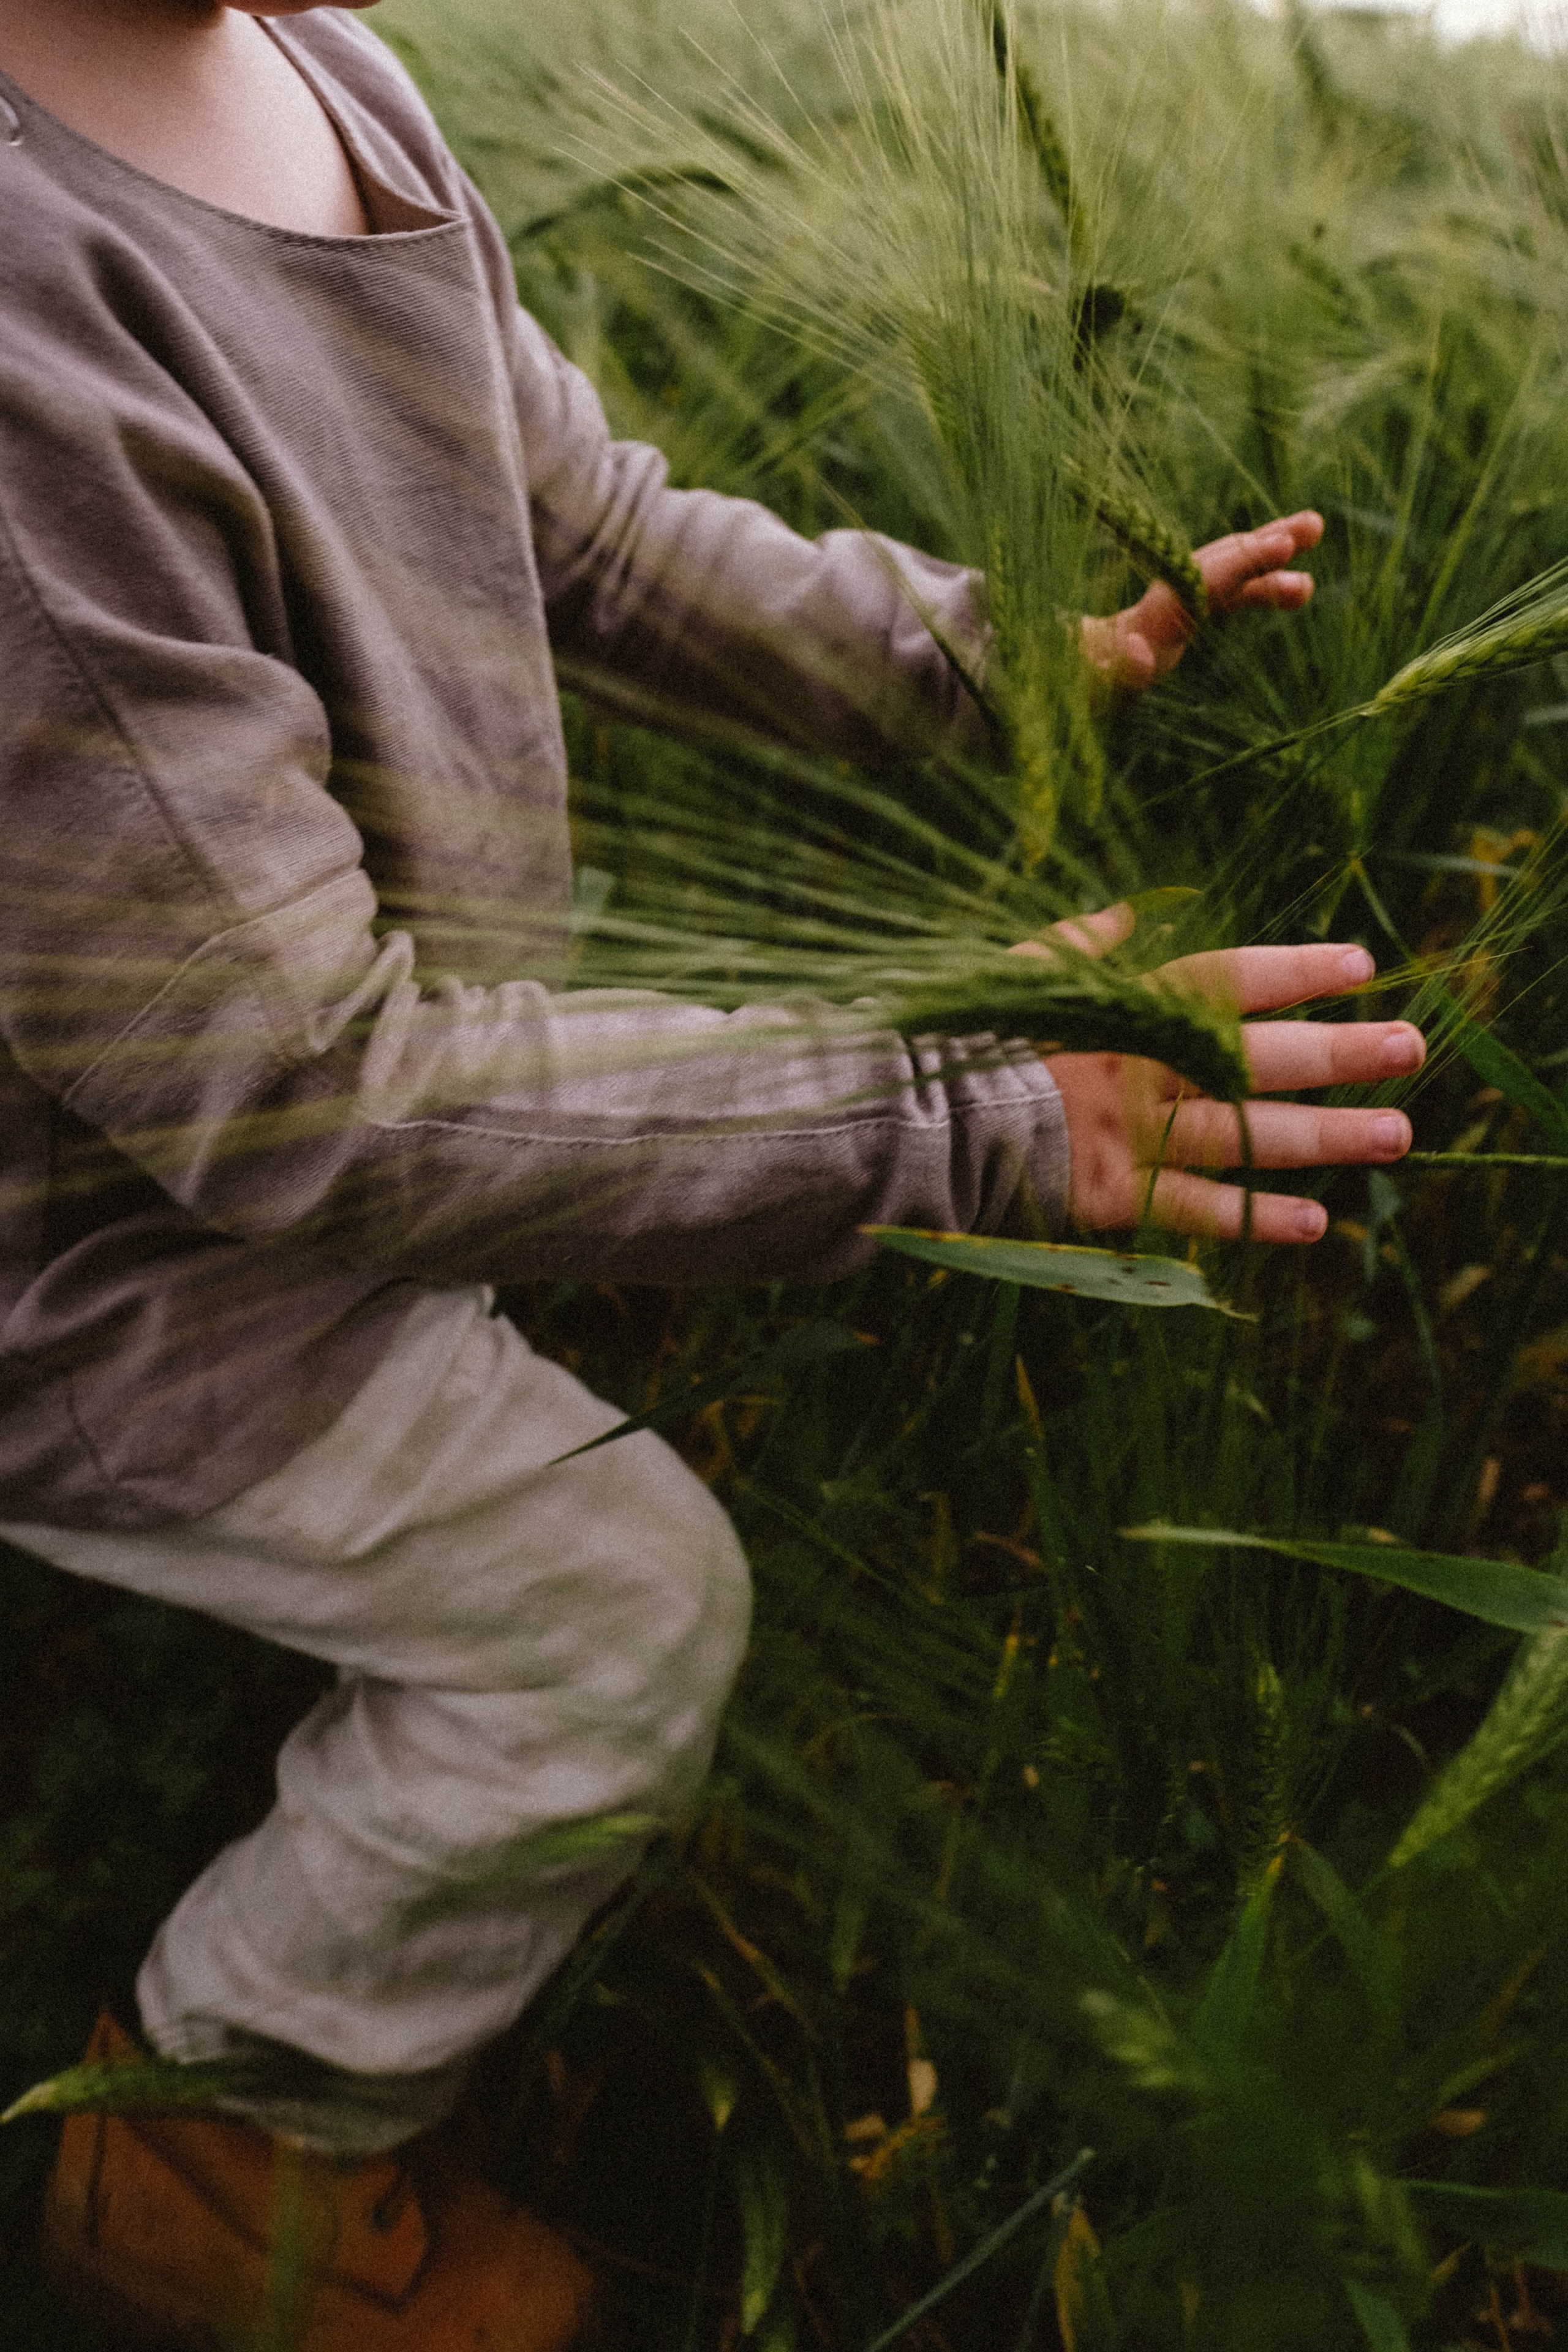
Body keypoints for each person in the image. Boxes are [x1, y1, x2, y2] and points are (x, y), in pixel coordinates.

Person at [0, 1, 1426, 2343]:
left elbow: (591, 531)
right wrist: (960, 1114)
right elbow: (286, 1089)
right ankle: (200, 2152)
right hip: (105, 1256)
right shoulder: (36, 318)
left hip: (377, 1118)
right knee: (616, 1601)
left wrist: (1000, 670)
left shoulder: (321, 67)